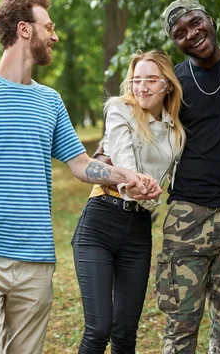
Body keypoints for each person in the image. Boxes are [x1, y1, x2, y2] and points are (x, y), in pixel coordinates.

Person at [0, 0, 161, 354]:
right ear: (25, 30)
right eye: (49, 27)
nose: (55, 36)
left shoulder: (50, 101)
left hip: (37, 258)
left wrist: (126, 177)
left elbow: (79, 164)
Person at [152, 0, 220, 353]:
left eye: (196, 23)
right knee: (180, 326)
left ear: (210, 19)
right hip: (186, 215)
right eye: (180, 33)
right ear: (174, 42)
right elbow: (141, 126)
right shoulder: (173, 83)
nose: (192, 34)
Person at [73, 50, 185, 353]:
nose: (142, 87)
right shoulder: (120, 109)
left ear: (168, 86)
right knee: (98, 329)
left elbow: (168, 180)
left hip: (138, 229)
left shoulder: (176, 132)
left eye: (151, 80)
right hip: (100, 221)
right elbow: (121, 154)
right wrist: (132, 181)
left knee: (125, 332)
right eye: (137, 80)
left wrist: (151, 194)